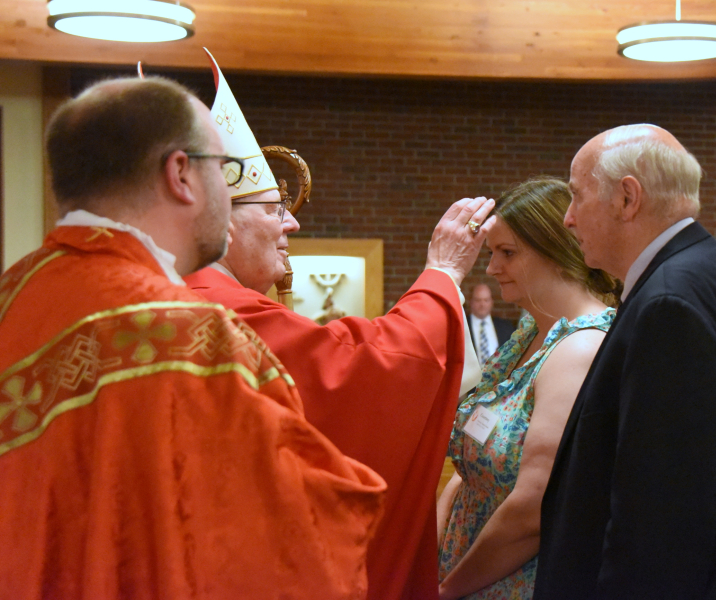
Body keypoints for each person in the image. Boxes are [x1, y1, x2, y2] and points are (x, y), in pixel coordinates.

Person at [0, 76, 387, 598]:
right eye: (222, 170)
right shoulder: (192, 338)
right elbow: (297, 541)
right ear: (181, 173)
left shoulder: (11, 296)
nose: (229, 196)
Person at [182, 50, 489, 600]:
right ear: (223, 225)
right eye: (276, 209)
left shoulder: (201, 297)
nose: (292, 222)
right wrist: (442, 274)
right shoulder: (216, 308)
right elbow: (364, 370)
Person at [534, 124, 716, 599]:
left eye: (576, 197)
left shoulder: (670, 302)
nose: (568, 219)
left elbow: (662, 515)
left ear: (627, 198)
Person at [436, 178, 618, 599]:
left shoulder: (580, 347)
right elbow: (474, 464)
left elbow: (534, 506)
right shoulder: (527, 334)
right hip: (468, 570)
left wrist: (447, 588)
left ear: (555, 250)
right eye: (492, 253)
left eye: (507, 253)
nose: (492, 268)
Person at [468, 283, 516, 364]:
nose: (482, 304)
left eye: (486, 300)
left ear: (491, 302)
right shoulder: (462, 326)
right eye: (478, 300)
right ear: (471, 302)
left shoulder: (506, 327)